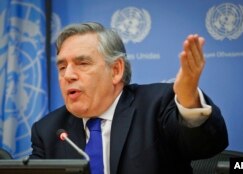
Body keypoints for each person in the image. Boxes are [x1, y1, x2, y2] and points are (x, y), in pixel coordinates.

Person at [30, 22, 228, 174]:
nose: (68, 75)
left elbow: (206, 145)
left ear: (116, 70)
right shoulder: (48, 130)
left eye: (82, 63)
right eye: (62, 67)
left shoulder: (156, 106)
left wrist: (188, 99)